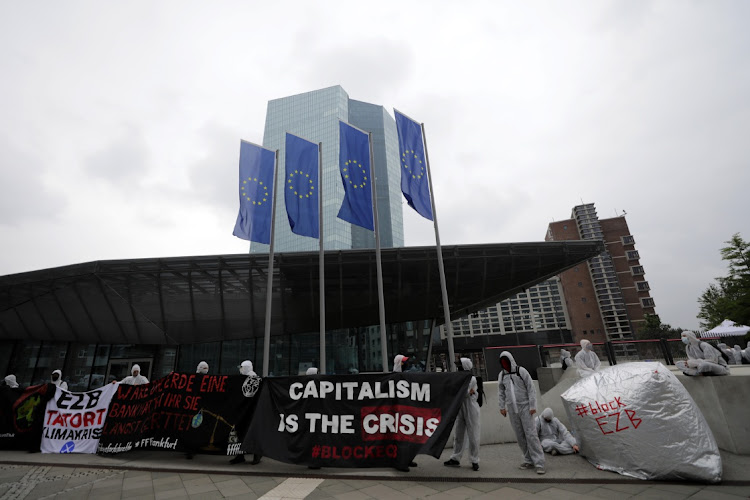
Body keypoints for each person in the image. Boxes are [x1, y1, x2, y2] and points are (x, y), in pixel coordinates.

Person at [498, 351, 545, 475]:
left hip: (525, 407)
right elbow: (501, 391)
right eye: (502, 362)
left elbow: (531, 388)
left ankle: (539, 462)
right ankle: (528, 459)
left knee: (531, 434)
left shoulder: (521, 371)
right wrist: (501, 406)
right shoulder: (502, 375)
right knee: (520, 435)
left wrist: (532, 405)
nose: (504, 364)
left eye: (506, 361)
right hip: (512, 409)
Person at [444, 357, 480, 471]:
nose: (458, 367)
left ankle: (474, 460)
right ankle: (455, 458)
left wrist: (464, 392)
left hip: (471, 408)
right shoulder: (460, 378)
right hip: (461, 408)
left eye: (459, 365)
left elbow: (462, 393)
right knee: (458, 434)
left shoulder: (472, 379)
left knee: (473, 435)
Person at [230, 360, 262, 466]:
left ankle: (256, 454)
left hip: (250, 411)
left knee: (250, 432)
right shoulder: (243, 379)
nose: (240, 369)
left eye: (242, 367)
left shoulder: (255, 379)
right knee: (241, 432)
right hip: (245, 411)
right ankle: (240, 455)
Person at [392, 354, 417, 471]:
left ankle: (408, 459)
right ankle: (400, 462)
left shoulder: (406, 376)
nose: (406, 364)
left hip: (407, 412)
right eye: (403, 362)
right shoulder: (394, 377)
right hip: (398, 413)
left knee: (409, 437)